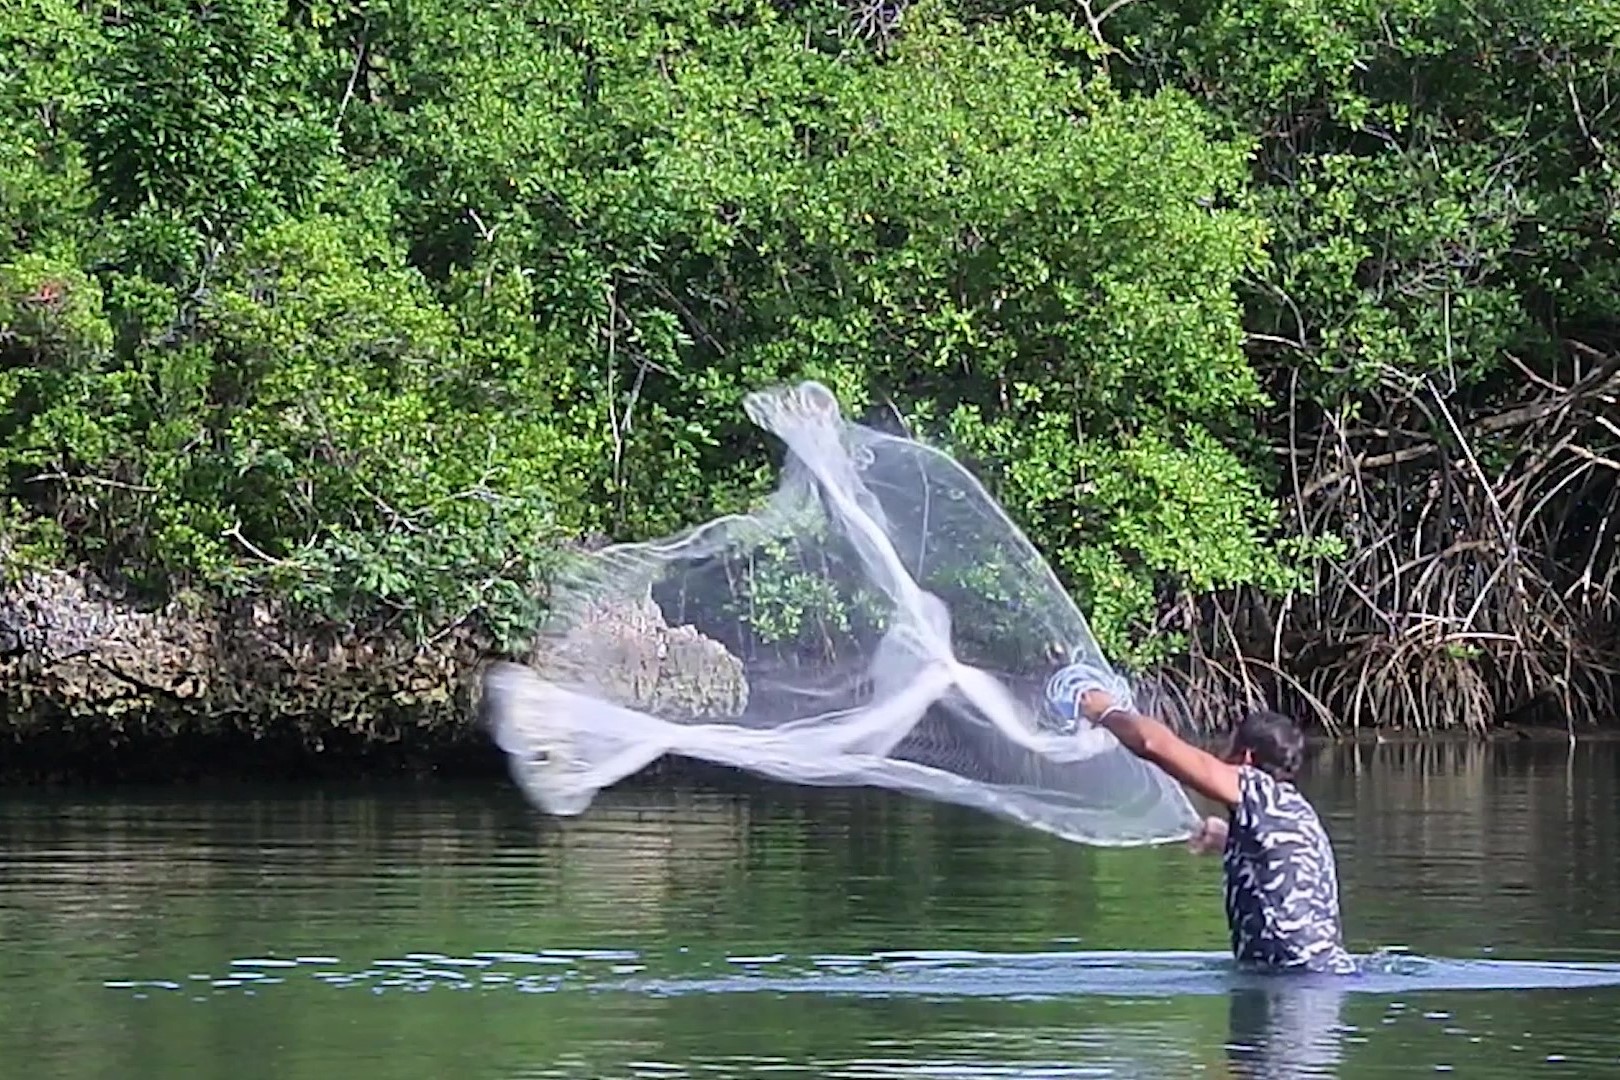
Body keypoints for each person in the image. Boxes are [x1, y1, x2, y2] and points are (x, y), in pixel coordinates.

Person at [1046, 662, 1357, 975]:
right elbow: (1279, 864)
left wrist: (1106, 712)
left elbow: (1153, 745)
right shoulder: (1295, 812)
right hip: (1321, 978)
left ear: (1246, 758)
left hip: (1296, 981)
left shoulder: (1256, 788)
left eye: (1228, 748)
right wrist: (1229, 841)